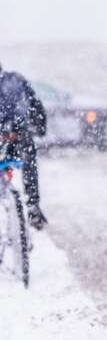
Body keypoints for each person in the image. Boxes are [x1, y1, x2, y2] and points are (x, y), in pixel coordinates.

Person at [0, 60, 48, 229]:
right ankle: (33, 203)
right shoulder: (16, 80)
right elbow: (35, 105)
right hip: (18, 135)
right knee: (28, 160)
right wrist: (41, 127)